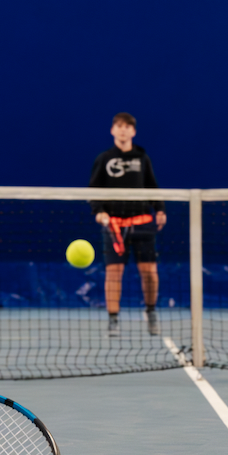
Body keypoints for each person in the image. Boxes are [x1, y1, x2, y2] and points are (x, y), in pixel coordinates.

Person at [89, 112, 166, 337]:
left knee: (149, 272)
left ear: (133, 131)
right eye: (119, 126)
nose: (123, 130)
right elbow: (93, 190)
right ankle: (113, 319)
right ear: (112, 130)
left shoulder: (142, 158)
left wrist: (159, 208)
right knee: (114, 273)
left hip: (142, 224)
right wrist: (99, 211)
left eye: (127, 127)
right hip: (114, 226)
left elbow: (152, 185)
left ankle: (150, 312)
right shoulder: (103, 159)